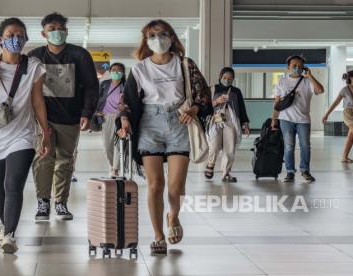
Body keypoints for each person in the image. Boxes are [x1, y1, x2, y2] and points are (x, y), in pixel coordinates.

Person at [117, 20, 213, 255]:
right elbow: (127, 100)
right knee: (155, 184)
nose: (157, 39)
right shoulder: (140, 68)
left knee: (176, 185)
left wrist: (194, 110)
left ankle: (173, 217)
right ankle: (159, 235)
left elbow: (203, 93)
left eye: (162, 34)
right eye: (152, 35)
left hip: (180, 121)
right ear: (146, 40)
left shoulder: (184, 64)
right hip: (150, 123)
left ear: (171, 37)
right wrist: (125, 120)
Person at [0, 17, 50, 254]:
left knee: (13, 183)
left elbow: (37, 101)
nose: (16, 39)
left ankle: (10, 235)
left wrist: (45, 132)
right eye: (11, 35)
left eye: (20, 35)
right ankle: (6, 228)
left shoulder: (34, 66)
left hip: (22, 135)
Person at [29, 12, 99, 222]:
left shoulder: (79, 55)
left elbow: (91, 86)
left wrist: (87, 113)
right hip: (42, 118)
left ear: (66, 32)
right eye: (52, 30)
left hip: (70, 117)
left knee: (65, 162)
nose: (57, 33)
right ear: (44, 33)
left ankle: (60, 202)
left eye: (60, 29)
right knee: (43, 159)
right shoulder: (35, 56)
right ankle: (43, 202)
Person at [271, 55, 324, 183]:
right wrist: (274, 118)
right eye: (294, 65)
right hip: (286, 119)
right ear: (288, 67)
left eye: (300, 66)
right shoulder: (282, 81)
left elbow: (320, 90)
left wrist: (310, 76)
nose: (297, 68)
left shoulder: (307, 81)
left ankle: (305, 170)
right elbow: (277, 102)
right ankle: (290, 172)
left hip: (303, 120)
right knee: (289, 147)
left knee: (305, 146)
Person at [204, 67, 250, 182]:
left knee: (230, 148)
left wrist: (245, 123)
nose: (227, 80)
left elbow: (242, 108)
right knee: (214, 145)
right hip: (215, 120)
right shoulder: (212, 89)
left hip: (231, 120)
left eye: (230, 78)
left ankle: (226, 173)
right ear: (220, 77)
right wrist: (216, 102)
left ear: (233, 79)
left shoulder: (236, 91)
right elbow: (204, 107)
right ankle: (210, 164)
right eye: (224, 78)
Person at [94, 63, 126, 177]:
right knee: (107, 146)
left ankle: (116, 169)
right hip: (106, 116)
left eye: (119, 70)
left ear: (123, 73)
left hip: (120, 117)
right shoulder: (104, 84)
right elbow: (96, 98)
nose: (116, 72)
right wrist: (96, 111)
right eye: (113, 69)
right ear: (110, 71)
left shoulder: (126, 86)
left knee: (117, 144)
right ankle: (112, 165)